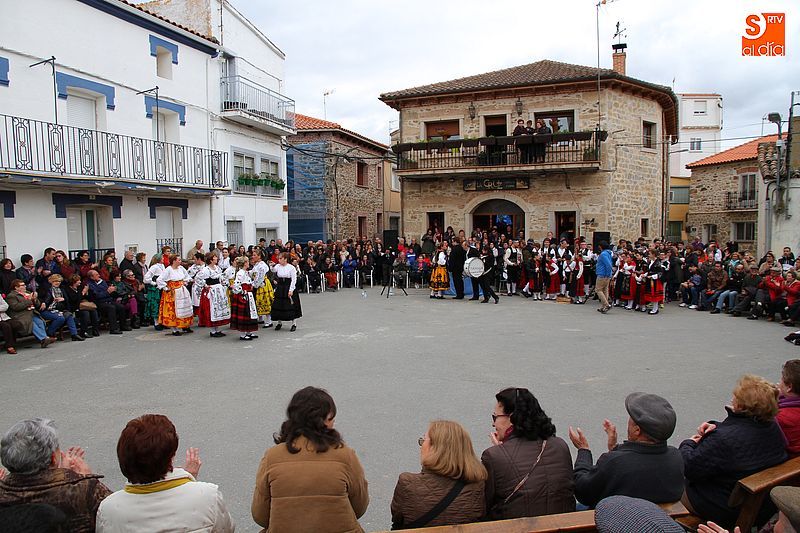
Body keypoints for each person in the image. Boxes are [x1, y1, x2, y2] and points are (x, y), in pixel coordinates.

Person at [252, 386, 369, 532]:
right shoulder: (346, 455)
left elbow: (260, 515)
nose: (333, 422)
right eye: (331, 418)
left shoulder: (272, 457)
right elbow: (360, 506)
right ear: (324, 421)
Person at [680, 374, 788, 528]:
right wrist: (715, 426)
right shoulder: (772, 425)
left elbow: (690, 467)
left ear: (743, 406)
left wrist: (688, 443)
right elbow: (741, 433)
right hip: (761, 505)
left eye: (736, 397)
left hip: (724, 507)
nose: (732, 399)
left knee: (668, 475)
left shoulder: (723, 440)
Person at [96, 414, 233, 532]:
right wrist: (189, 479)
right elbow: (226, 529)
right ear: (170, 457)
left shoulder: (108, 509)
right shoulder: (208, 496)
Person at [568, 392, 684, 508]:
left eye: (630, 418)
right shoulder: (676, 457)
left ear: (637, 430)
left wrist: (583, 450)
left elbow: (583, 492)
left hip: (620, 518)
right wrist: (615, 448)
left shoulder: (615, 462)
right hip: (662, 516)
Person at [0, 418, 112, 531]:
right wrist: (83, 479)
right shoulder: (85, 490)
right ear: (53, 459)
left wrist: (63, 476)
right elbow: (114, 513)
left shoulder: (3, 492)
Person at [482, 387, 574, 519]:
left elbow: (484, 505)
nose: (493, 423)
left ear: (511, 418)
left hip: (517, 527)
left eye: (495, 417)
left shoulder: (493, 456)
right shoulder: (560, 445)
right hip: (565, 525)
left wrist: (500, 453)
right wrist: (502, 451)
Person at [391, 420, 486, 528]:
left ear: (435, 448)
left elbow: (398, 522)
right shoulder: (477, 485)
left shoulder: (407, 483)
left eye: (423, 440)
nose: (421, 446)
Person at [6, 279, 55, 347]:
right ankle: (44, 339)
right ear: (16, 287)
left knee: (40, 322)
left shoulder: (28, 292)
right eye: (22, 285)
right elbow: (16, 307)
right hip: (20, 315)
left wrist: (35, 299)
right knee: (31, 323)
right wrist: (29, 300)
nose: (25, 286)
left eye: (24, 285)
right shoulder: (11, 296)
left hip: (32, 313)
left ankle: (44, 339)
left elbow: (38, 305)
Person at [195, 253, 231, 338]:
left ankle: (217, 329)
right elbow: (197, 278)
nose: (216, 258)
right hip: (212, 290)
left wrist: (225, 284)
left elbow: (221, 278)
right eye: (215, 257)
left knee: (218, 309)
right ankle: (213, 331)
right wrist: (205, 285)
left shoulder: (217, 268)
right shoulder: (206, 270)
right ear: (211, 260)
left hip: (219, 290)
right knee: (212, 309)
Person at [40, 274, 84, 341]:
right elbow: (41, 298)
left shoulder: (62, 290)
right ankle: (49, 333)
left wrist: (63, 299)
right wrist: (43, 302)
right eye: (55, 281)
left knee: (69, 315)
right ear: (51, 281)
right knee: (61, 318)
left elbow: (68, 300)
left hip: (59, 309)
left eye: (59, 281)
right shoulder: (46, 289)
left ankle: (74, 334)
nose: (57, 283)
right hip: (47, 310)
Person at [157, 255, 193, 336]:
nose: (180, 261)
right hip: (173, 292)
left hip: (182, 291)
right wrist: (166, 287)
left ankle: (185, 325)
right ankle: (175, 329)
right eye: (179, 260)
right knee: (174, 310)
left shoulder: (181, 268)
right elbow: (159, 279)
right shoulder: (168, 269)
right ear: (173, 261)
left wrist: (185, 282)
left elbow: (187, 276)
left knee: (184, 307)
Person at [86, 270, 129, 335]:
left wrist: (110, 291)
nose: (99, 276)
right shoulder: (90, 284)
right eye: (96, 275)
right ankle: (113, 329)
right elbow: (97, 295)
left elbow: (107, 290)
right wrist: (107, 292)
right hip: (98, 302)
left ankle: (123, 326)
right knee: (111, 308)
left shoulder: (102, 282)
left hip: (108, 299)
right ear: (91, 277)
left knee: (121, 307)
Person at [229, 256, 259, 340]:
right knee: (244, 314)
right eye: (247, 262)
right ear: (245, 263)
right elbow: (236, 284)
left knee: (249, 313)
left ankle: (249, 331)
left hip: (248, 295)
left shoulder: (246, 272)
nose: (249, 263)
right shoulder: (240, 273)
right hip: (244, 296)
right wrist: (242, 292)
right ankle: (243, 334)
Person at [271, 252, 302, 331]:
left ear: (285, 259)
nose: (279, 260)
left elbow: (294, 279)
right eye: (279, 258)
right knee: (278, 304)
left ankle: (294, 323)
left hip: (288, 285)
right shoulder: (278, 266)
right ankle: (279, 322)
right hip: (280, 286)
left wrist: (291, 290)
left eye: (281, 258)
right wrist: (272, 265)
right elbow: (273, 270)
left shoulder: (291, 267)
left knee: (291, 305)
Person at [777, 359, 800, 457]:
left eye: (782, 379)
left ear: (789, 387)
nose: (779, 382)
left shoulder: (780, 417)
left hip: (792, 458)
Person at [250, 249, 274, 328]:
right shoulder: (257, 264)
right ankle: (260, 318)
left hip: (262, 285)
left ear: (259, 256)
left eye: (254, 255)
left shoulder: (262, 265)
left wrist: (255, 285)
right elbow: (253, 273)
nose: (253, 256)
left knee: (265, 301)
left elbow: (260, 277)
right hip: (258, 284)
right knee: (258, 301)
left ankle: (269, 321)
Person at [595, 241, 613, 313]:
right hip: (606, 274)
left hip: (602, 274)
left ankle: (606, 304)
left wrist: (607, 274)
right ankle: (604, 306)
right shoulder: (608, 253)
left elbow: (608, 265)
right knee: (605, 290)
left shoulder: (603, 254)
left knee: (598, 290)